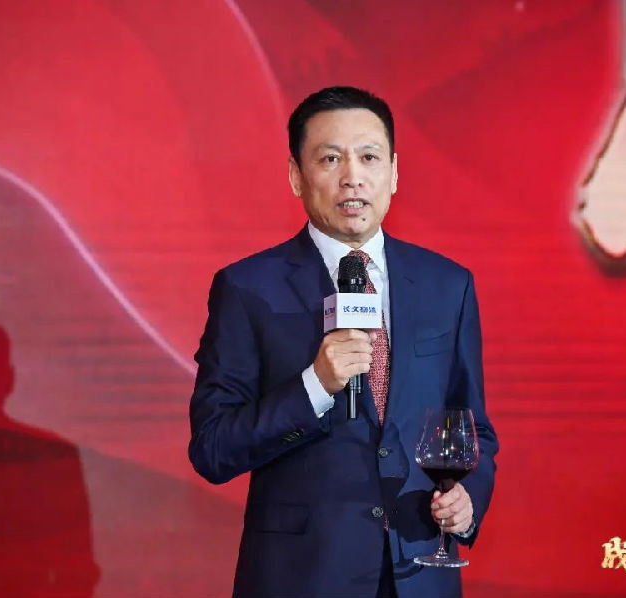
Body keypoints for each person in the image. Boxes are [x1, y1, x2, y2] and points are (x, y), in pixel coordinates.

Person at [188, 86, 498, 598]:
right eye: (330, 159)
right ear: (296, 176)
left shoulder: (448, 285)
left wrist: (469, 497)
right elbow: (212, 448)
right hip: (302, 578)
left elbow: (473, 428)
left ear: (394, 173)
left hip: (420, 572)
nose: (352, 176)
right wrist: (314, 385)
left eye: (369, 157)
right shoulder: (247, 289)